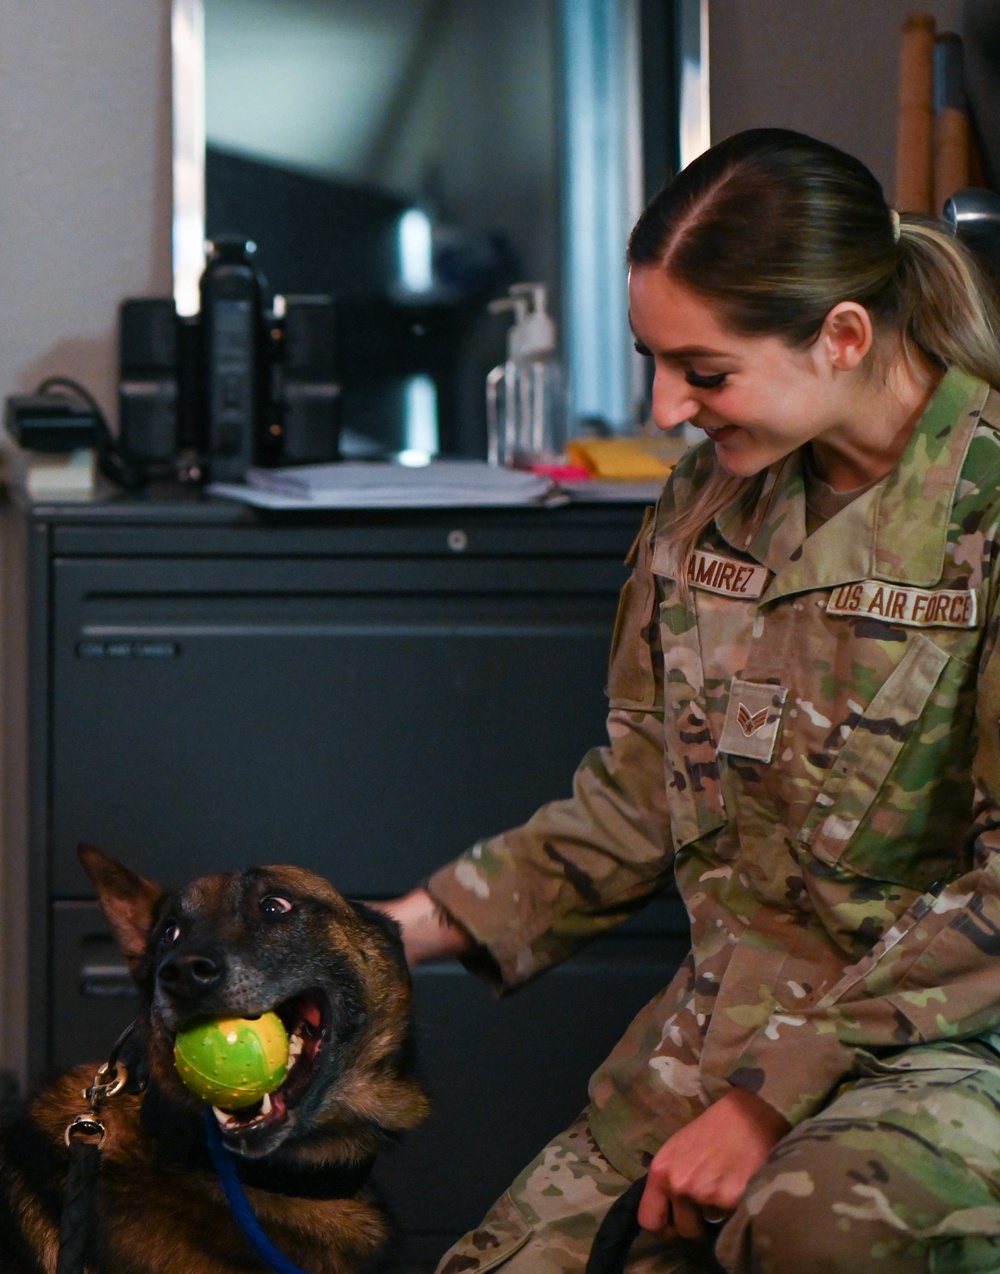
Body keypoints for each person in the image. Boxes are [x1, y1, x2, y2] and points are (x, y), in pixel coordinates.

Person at [384, 128, 1000, 1273]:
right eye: (652, 360)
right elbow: (641, 790)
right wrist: (383, 934)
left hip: (949, 1049)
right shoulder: (706, 500)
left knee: (815, 1224)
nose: (665, 406)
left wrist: (775, 1099)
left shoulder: (987, 510)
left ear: (843, 337)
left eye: (703, 372)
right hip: (723, 1027)